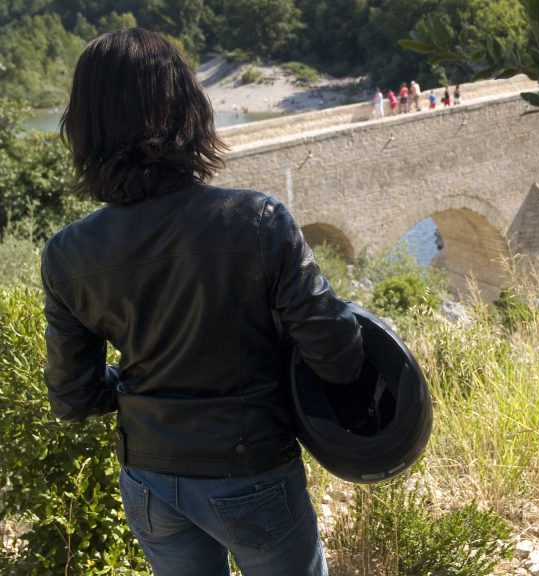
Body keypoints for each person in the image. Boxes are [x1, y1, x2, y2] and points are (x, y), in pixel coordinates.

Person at [43, 28, 363, 576]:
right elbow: (338, 354)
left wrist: (139, 392)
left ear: (84, 127)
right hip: (252, 468)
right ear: (187, 108)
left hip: (148, 481)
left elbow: (73, 399)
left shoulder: (68, 254)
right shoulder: (258, 221)